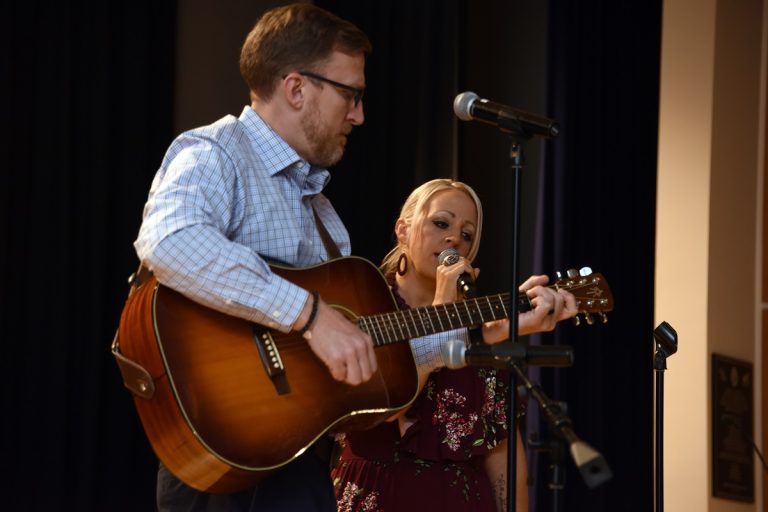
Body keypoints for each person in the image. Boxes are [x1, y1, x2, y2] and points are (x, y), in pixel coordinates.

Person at [133, 4, 382, 511]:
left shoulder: (324, 212)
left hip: (302, 466)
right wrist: (310, 316)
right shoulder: (216, 152)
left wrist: (475, 331)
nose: (358, 114)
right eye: (350, 94)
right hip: (222, 463)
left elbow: (360, 341)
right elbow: (169, 240)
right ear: (296, 88)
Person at [330, 179, 578, 512]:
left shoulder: (484, 330)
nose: (454, 240)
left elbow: (502, 454)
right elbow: (388, 408)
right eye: (441, 223)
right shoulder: (362, 304)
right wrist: (443, 309)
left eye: (467, 235)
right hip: (376, 495)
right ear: (403, 230)